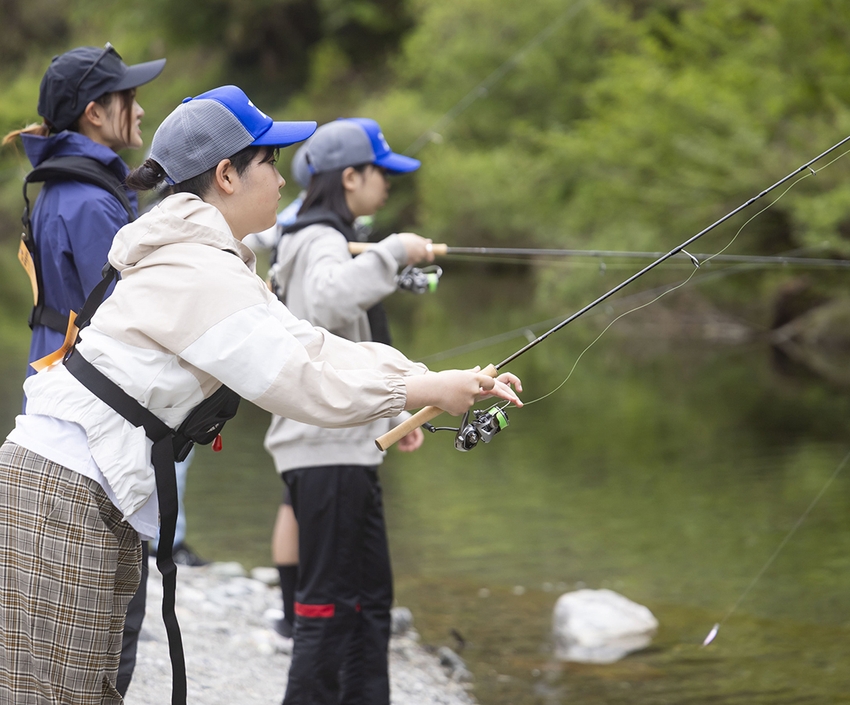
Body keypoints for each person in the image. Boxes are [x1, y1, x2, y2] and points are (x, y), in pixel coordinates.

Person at [0, 84, 522, 705]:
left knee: (89, 688)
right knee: (58, 694)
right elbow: (297, 380)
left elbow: (310, 343)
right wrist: (416, 387)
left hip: (90, 488)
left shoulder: (209, 260)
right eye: (269, 162)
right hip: (66, 489)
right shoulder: (196, 269)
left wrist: (426, 379)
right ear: (226, 174)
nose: (281, 180)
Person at [1, 42, 167, 696]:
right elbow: (133, 314)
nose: (143, 105)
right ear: (97, 113)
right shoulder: (93, 201)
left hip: (54, 396)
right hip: (93, 431)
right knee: (116, 624)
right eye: (131, 96)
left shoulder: (69, 186)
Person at [262, 118, 435, 705]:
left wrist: (390, 419)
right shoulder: (318, 239)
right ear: (350, 177)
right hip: (324, 454)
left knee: (369, 604)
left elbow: (344, 344)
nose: (387, 185)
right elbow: (328, 301)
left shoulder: (317, 237)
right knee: (328, 608)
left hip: (345, 450)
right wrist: (395, 251)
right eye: (380, 173)